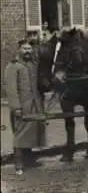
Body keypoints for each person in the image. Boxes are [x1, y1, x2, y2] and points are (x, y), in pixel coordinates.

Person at [3, 39, 46, 175]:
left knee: (31, 132)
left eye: (29, 48)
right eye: (24, 49)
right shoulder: (13, 66)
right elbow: (11, 89)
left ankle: (29, 160)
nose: (28, 51)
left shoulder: (32, 65)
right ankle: (19, 164)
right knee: (20, 134)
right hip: (21, 106)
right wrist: (16, 107)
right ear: (19, 50)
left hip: (34, 104)